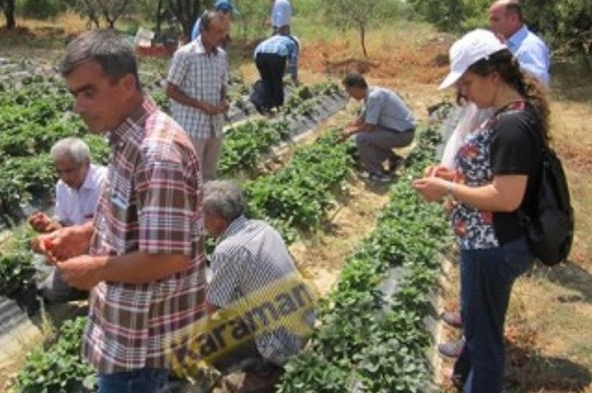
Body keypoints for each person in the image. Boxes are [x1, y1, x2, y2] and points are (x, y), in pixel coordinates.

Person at [37, 30, 207, 393]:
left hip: (143, 343)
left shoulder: (156, 154)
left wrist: (95, 269)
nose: (78, 106)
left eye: (89, 92)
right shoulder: (125, 139)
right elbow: (128, 218)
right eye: (75, 94)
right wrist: (80, 235)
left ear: (127, 84)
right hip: (124, 326)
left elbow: (170, 258)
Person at [413, 28, 546, 392]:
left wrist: (447, 188)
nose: (463, 93)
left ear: (494, 75)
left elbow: (506, 197)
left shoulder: (513, 124)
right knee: (477, 318)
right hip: (483, 240)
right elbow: (492, 174)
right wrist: (452, 174)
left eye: (468, 82)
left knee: (486, 341)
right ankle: (461, 374)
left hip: (494, 246)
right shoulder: (502, 113)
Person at [202, 180, 315, 378]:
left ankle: (263, 369)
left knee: (204, 342)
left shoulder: (228, 250)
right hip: (305, 322)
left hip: (282, 345)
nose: (199, 221)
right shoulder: (263, 228)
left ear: (217, 218)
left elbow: (209, 311)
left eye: (202, 215)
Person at [28, 137, 107, 302]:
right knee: (52, 292)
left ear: (87, 163)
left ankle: (101, 291)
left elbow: (116, 227)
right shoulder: (62, 187)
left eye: (70, 170)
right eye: (59, 171)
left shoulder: (106, 182)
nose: (64, 177)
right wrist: (49, 226)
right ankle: (89, 290)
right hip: (76, 250)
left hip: (108, 252)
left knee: (103, 295)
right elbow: (63, 224)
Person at [166, 10, 231, 181]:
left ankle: (205, 207)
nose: (222, 36)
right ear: (203, 30)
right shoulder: (185, 55)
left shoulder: (221, 56)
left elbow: (223, 85)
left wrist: (224, 101)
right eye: (217, 31)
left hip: (214, 126)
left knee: (209, 175)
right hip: (191, 127)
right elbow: (170, 90)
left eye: (224, 31)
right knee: (189, 176)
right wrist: (200, 105)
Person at [339, 73, 417, 183]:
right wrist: (348, 128)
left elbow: (369, 126)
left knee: (362, 138)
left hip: (403, 134)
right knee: (365, 136)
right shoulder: (371, 94)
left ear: (355, 88)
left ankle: (377, 174)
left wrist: (351, 131)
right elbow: (362, 119)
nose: (349, 95)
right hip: (397, 131)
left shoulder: (374, 97)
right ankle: (394, 160)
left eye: (348, 90)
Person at [488, 0, 551, 87]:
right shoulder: (507, 44)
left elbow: (537, 84)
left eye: (495, 20)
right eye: (490, 20)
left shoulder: (530, 47)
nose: (491, 24)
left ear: (513, 19)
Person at [252, 31, 299, 113]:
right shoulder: (293, 44)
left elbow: (256, 54)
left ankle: (266, 105)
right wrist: (294, 76)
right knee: (277, 81)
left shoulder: (275, 38)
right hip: (275, 56)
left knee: (266, 81)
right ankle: (279, 105)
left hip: (259, 54)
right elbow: (293, 62)